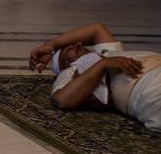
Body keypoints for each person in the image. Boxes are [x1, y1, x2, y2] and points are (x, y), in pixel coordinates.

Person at [29, 23, 161, 132]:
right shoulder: (72, 72)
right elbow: (62, 100)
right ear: (64, 65)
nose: (79, 44)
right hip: (150, 90)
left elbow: (96, 29)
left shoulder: (108, 54)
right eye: (70, 49)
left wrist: (52, 45)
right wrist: (101, 65)